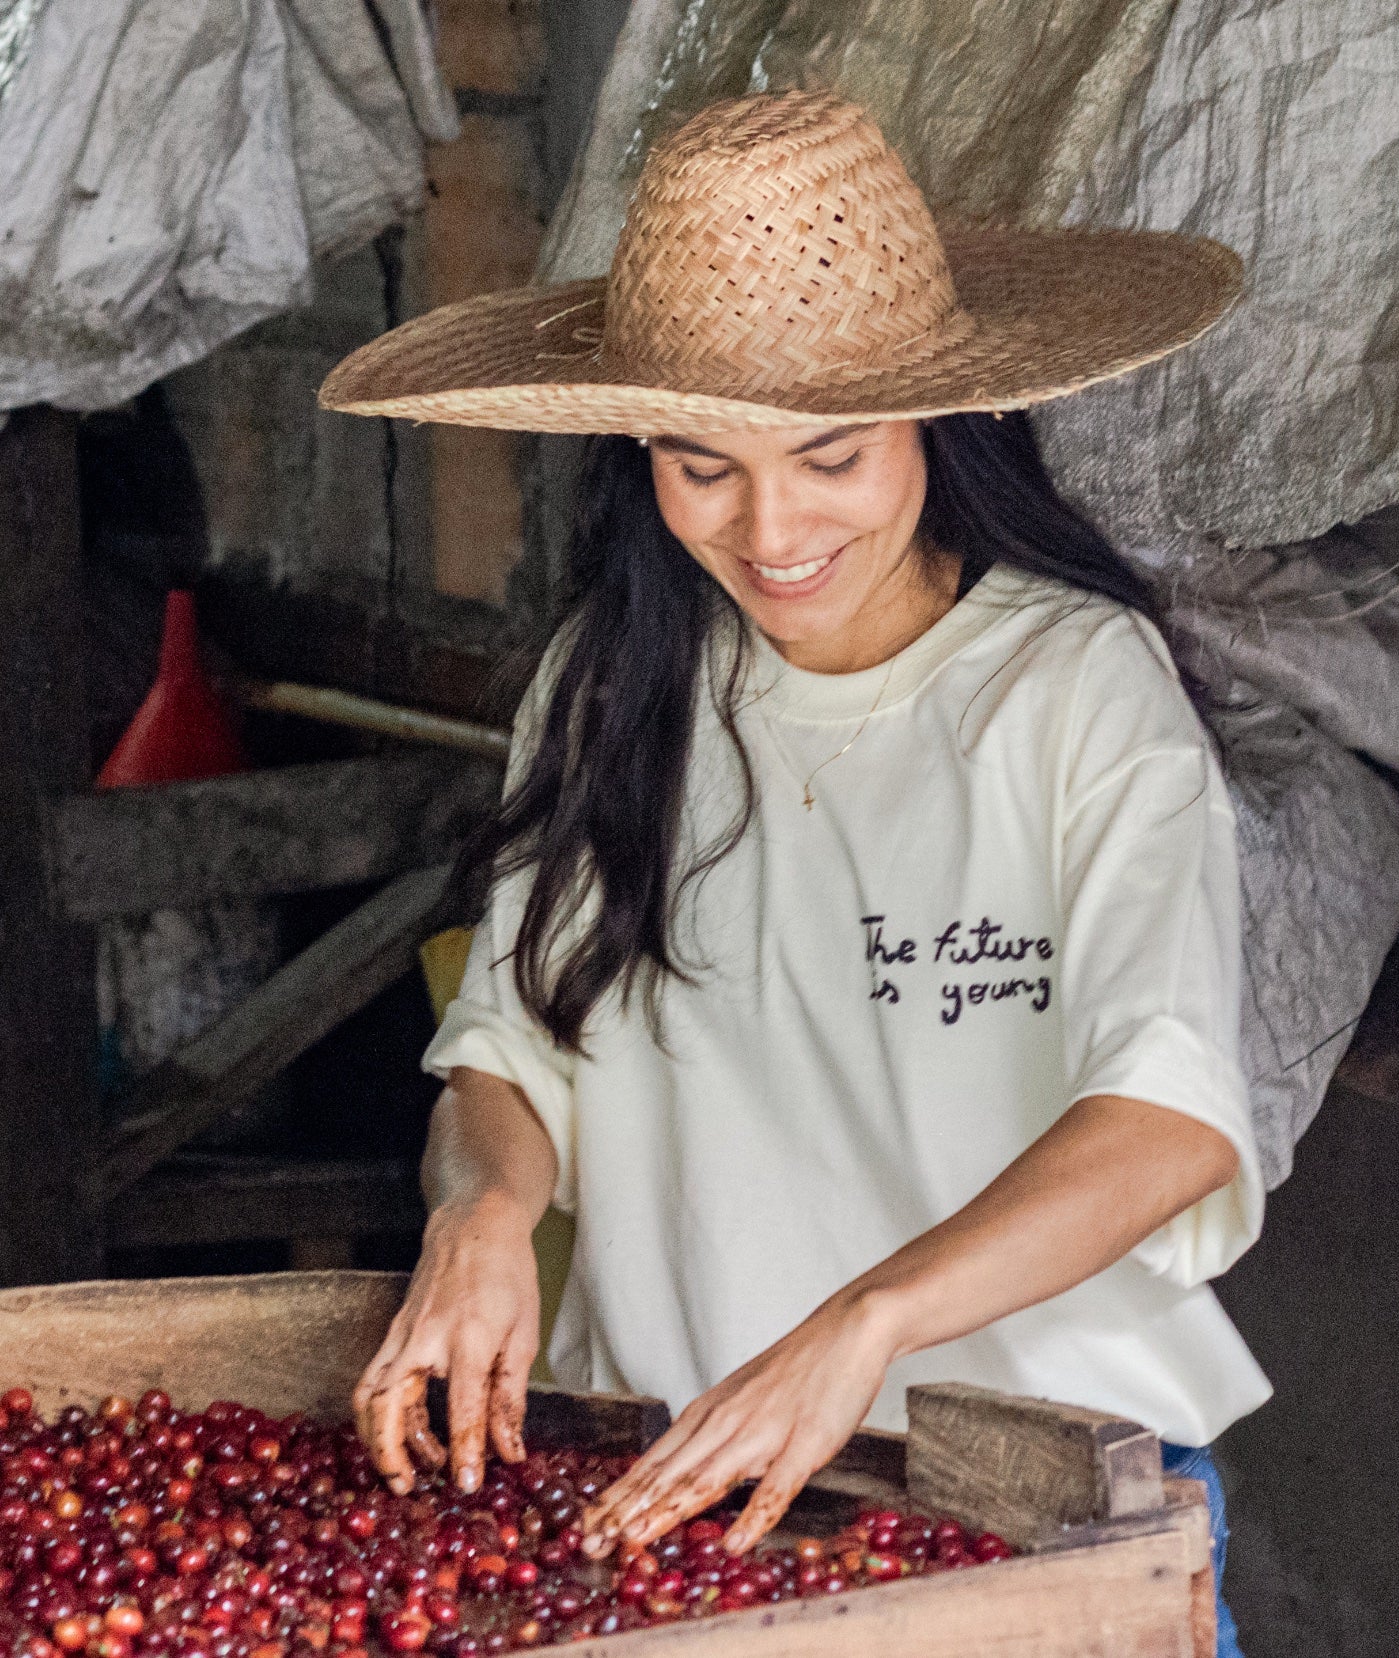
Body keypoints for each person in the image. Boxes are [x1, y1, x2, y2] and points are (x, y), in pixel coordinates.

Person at [320, 89, 1266, 1651]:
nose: (773, 530)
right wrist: (480, 1210)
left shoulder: (1076, 691)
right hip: (684, 1516)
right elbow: (511, 1056)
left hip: (1032, 1516)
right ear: (639, 452)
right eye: (704, 468)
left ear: (935, 420)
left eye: (830, 457)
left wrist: (862, 1326)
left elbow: (1165, 1119)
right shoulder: (612, 681)